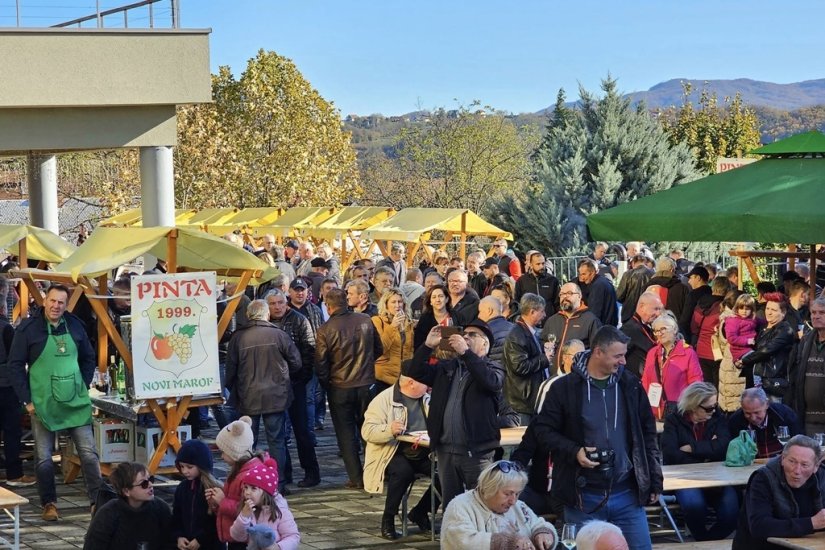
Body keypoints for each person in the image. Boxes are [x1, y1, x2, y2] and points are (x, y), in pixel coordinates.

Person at [532, 326, 662, 550]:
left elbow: (648, 435)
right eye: (618, 355)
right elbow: (542, 431)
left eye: (624, 355)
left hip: (627, 493)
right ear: (598, 352)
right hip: (582, 496)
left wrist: (654, 481)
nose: (623, 361)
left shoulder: (630, 385)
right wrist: (574, 451)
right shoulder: (564, 388)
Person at [8, 284, 102, 521]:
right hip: (43, 403)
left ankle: (98, 503)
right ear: (45, 301)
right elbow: (15, 366)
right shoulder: (28, 329)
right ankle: (49, 504)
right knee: (43, 457)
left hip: (76, 401)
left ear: (65, 304)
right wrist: (27, 400)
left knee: (89, 454)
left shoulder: (76, 326)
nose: (56, 306)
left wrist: (83, 382)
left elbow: (89, 357)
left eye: (61, 302)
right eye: (52, 301)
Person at [404, 320, 504, 508]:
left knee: (482, 505)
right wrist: (427, 346)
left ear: (485, 343)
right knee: (452, 506)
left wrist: (466, 354)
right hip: (446, 451)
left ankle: (481, 538)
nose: (465, 337)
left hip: (476, 452)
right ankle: (451, 537)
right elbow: (414, 371)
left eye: (472, 335)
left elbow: (491, 382)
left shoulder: (493, 368)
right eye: (464, 333)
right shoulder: (447, 367)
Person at [225, 300, 301, 493]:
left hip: (248, 395)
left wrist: (233, 388)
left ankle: (249, 481)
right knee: (277, 441)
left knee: (249, 441)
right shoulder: (279, 334)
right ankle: (279, 483)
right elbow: (296, 362)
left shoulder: (238, 338)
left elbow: (230, 370)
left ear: (249, 316)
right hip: (276, 395)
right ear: (266, 315)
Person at [315, 288, 383, 489]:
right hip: (366, 383)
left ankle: (356, 477)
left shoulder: (326, 329)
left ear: (328, 306)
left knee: (345, 434)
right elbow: (379, 349)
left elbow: (320, 364)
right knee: (369, 430)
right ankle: (374, 473)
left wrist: (328, 383)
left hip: (340, 386)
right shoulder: (364, 320)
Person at [362, 374, 439, 539]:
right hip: (392, 451)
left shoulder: (427, 398)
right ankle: (388, 518)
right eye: (424, 382)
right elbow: (367, 431)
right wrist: (389, 429)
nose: (428, 385)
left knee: (449, 471)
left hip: (424, 450)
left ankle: (420, 511)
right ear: (411, 383)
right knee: (403, 473)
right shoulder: (384, 400)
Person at [661, 382, 737, 541]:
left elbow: (724, 447)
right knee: (694, 506)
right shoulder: (674, 420)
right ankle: (702, 540)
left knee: (732, 511)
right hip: (685, 477)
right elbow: (671, 454)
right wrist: (708, 452)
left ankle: (706, 542)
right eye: (709, 408)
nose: (714, 410)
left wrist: (693, 448)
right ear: (694, 405)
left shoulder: (718, 418)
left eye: (715, 405)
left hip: (716, 476)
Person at [265, 290, 321, 489]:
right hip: (273, 386)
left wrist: (301, 378)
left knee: (302, 430)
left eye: (280, 302)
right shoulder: (265, 323)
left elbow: (308, 349)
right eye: (273, 303)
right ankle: (284, 473)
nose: (277, 307)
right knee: (278, 433)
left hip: (296, 383)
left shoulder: (298, 320)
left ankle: (311, 472)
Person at [732, 434, 825, 550]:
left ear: (816, 467)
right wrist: (811, 523)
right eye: (792, 461)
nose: (797, 470)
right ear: (782, 459)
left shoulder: (821, 478)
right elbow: (759, 526)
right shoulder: (763, 479)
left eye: (804, 465)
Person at [440, 460, 557, 550]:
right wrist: (507, 542)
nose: (513, 501)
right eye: (507, 494)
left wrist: (543, 533)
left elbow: (538, 524)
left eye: (517, 494)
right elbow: (463, 542)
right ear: (489, 488)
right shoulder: (460, 506)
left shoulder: (519, 507)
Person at [208, 416, 267, 550]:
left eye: (223, 452)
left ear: (234, 451)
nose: (221, 456)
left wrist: (222, 501)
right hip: (236, 534)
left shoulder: (247, 475)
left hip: (244, 538)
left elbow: (249, 509)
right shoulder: (238, 470)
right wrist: (216, 503)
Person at [83, 462, 172, 550]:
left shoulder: (160, 508)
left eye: (151, 479)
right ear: (126, 491)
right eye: (143, 484)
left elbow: (172, 542)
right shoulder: (108, 514)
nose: (150, 485)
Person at [0, 276, 34, 487]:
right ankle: (14, 474)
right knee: (12, 430)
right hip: (6, 386)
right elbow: (15, 360)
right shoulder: (6, 329)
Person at [641, 312, 703, 420]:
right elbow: (645, 381)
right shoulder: (652, 353)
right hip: (653, 412)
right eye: (656, 331)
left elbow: (696, 385)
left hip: (678, 413)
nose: (659, 333)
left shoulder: (688, 353)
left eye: (663, 329)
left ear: (674, 329)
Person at [229, 458, 300, 550]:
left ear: (266, 492)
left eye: (253, 488)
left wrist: (278, 547)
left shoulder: (281, 511)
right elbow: (237, 536)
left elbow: (293, 536)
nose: (247, 492)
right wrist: (243, 517)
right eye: (246, 487)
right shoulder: (248, 509)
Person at [503, 293, 550, 424]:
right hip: (522, 402)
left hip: (527, 400)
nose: (545, 315)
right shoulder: (517, 335)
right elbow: (520, 366)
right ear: (532, 312)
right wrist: (545, 358)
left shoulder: (526, 332)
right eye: (542, 311)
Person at [738, 292, 795, 396]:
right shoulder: (762, 326)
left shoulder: (785, 330)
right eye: (767, 308)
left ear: (783, 312)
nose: (769, 312)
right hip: (755, 378)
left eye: (773, 310)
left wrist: (744, 360)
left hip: (772, 382)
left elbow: (767, 350)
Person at [540, 282, 601, 374]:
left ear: (579, 296)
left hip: (578, 377)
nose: (565, 297)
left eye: (569, 293)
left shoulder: (591, 320)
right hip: (554, 377)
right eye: (562, 294)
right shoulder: (552, 320)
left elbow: (597, 351)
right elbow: (542, 342)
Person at [172, 439, 222, 550]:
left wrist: (201, 539)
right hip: (187, 543)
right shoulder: (182, 488)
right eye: (182, 466)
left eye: (189, 467)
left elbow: (216, 521)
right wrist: (179, 535)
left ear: (201, 466)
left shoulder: (212, 489)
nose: (185, 471)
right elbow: (177, 515)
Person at [728, 387, 802, 459]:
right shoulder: (735, 421)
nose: (753, 418)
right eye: (747, 413)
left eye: (757, 412)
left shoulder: (785, 415)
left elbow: (799, 444)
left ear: (766, 404)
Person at [788, 297, 825, 434]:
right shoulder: (806, 341)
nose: (816, 316)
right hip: (807, 418)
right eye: (814, 312)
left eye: (822, 313)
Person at [690, 276, 731, 388]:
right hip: (718, 352)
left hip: (701, 350)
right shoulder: (724, 307)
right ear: (727, 290)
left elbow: (694, 327)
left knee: (706, 386)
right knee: (719, 385)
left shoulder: (700, 304)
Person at [371, 288, 414, 395]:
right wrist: (393, 326)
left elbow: (410, 350)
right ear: (386, 305)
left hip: (404, 378)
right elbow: (381, 348)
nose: (397, 305)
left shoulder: (408, 323)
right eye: (393, 302)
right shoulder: (377, 321)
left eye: (400, 302)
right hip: (383, 377)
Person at [620, 292, 663, 377]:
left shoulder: (648, 325)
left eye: (659, 310)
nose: (658, 314)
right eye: (655, 309)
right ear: (642, 307)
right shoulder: (629, 329)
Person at [514, 252, 560, 323]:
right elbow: (517, 302)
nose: (541, 266)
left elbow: (557, 303)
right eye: (538, 264)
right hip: (529, 323)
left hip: (549, 322)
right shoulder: (522, 281)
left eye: (543, 263)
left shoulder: (552, 280)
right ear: (531, 265)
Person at [413, 283, 456, 350]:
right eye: (434, 297)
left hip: (452, 357)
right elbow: (418, 344)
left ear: (447, 299)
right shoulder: (425, 319)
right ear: (430, 301)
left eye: (441, 296)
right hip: (429, 357)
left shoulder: (456, 316)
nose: (437, 300)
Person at [576, 259, 618, 327]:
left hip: (603, 329)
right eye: (580, 274)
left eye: (584, 274)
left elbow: (595, 313)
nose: (582, 278)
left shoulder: (597, 286)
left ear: (592, 272)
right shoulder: (603, 281)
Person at [476, 295, 514, 365]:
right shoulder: (514, 328)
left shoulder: (485, 333)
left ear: (489, 311)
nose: (478, 316)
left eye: (480, 311)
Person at [616, 253, 653, 324]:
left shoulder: (627, 274)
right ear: (645, 263)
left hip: (628, 314)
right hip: (647, 313)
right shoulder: (652, 274)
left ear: (633, 263)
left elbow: (619, 296)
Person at [725, 293, 762, 363]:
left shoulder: (752, 319)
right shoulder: (733, 320)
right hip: (740, 350)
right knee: (756, 360)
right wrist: (747, 341)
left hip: (750, 347)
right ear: (737, 308)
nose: (744, 311)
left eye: (747, 309)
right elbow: (731, 338)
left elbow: (763, 322)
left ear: (752, 310)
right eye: (741, 308)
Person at [679, 265, 711, 339]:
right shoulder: (712, 292)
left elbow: (685, 318)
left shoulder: (693, 295)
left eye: (691, 278)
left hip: (694, 335)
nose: (689, 281)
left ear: (698, 278)